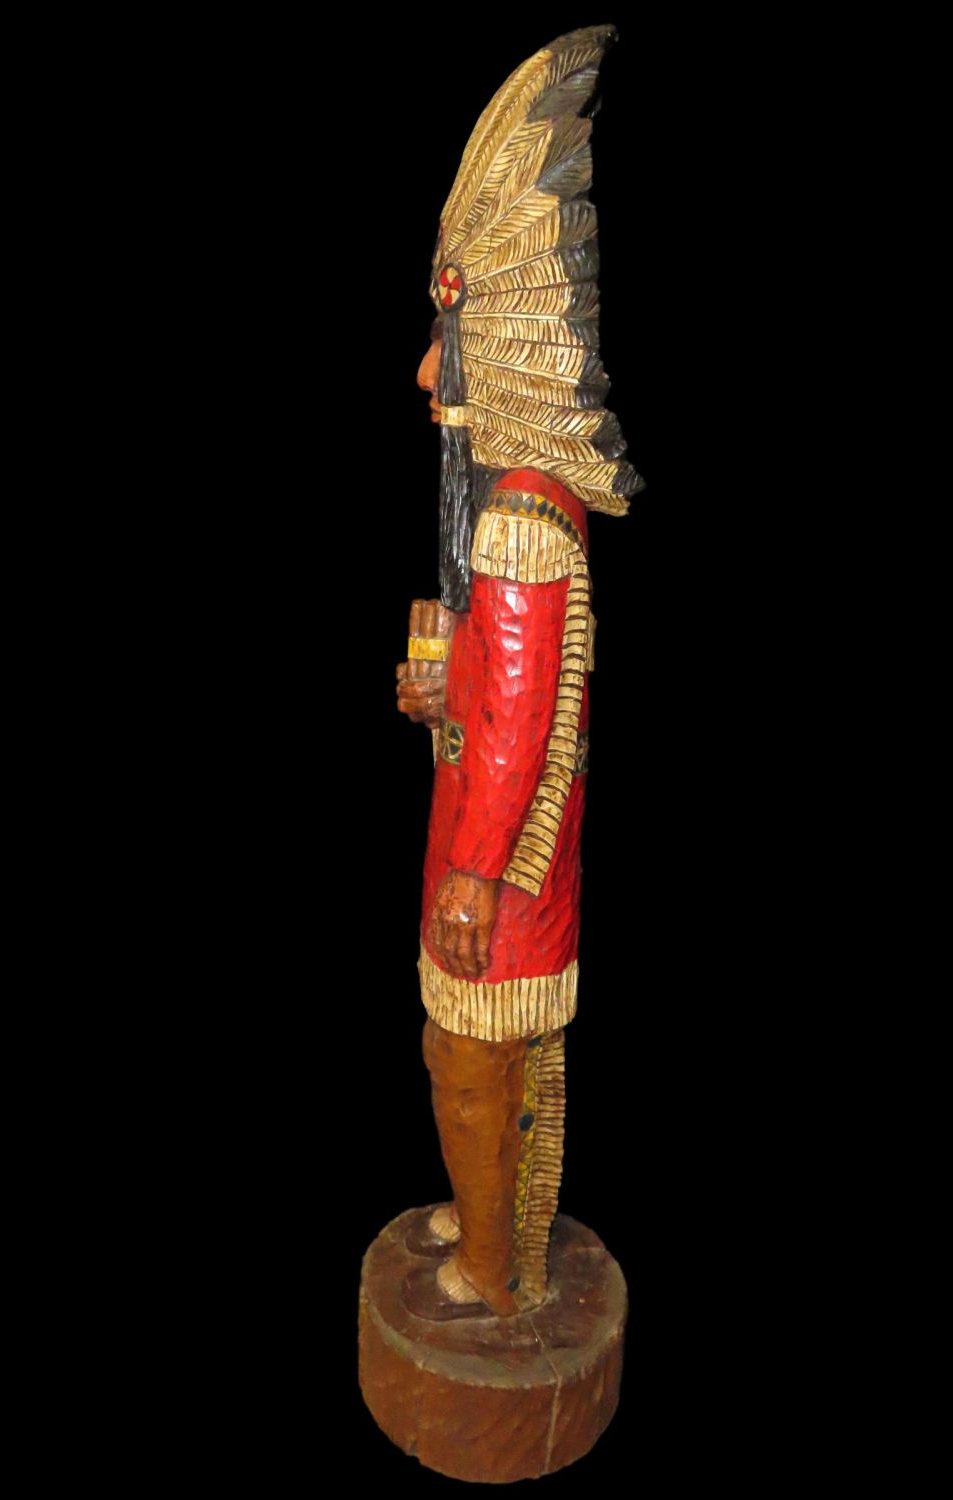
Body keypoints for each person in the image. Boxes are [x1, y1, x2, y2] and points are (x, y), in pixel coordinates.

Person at [395, 23, 645, 1320]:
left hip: (501, 866)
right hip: (496, 848)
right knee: (480, 1061)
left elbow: (520, 727)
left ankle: (495, 1264)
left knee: (470, 1056)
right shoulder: (524, 510)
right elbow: (500, 699)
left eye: (448, 334)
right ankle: (491, 1213)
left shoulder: (517, 523)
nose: (428, 370)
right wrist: (444, 692)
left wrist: (476, 873)